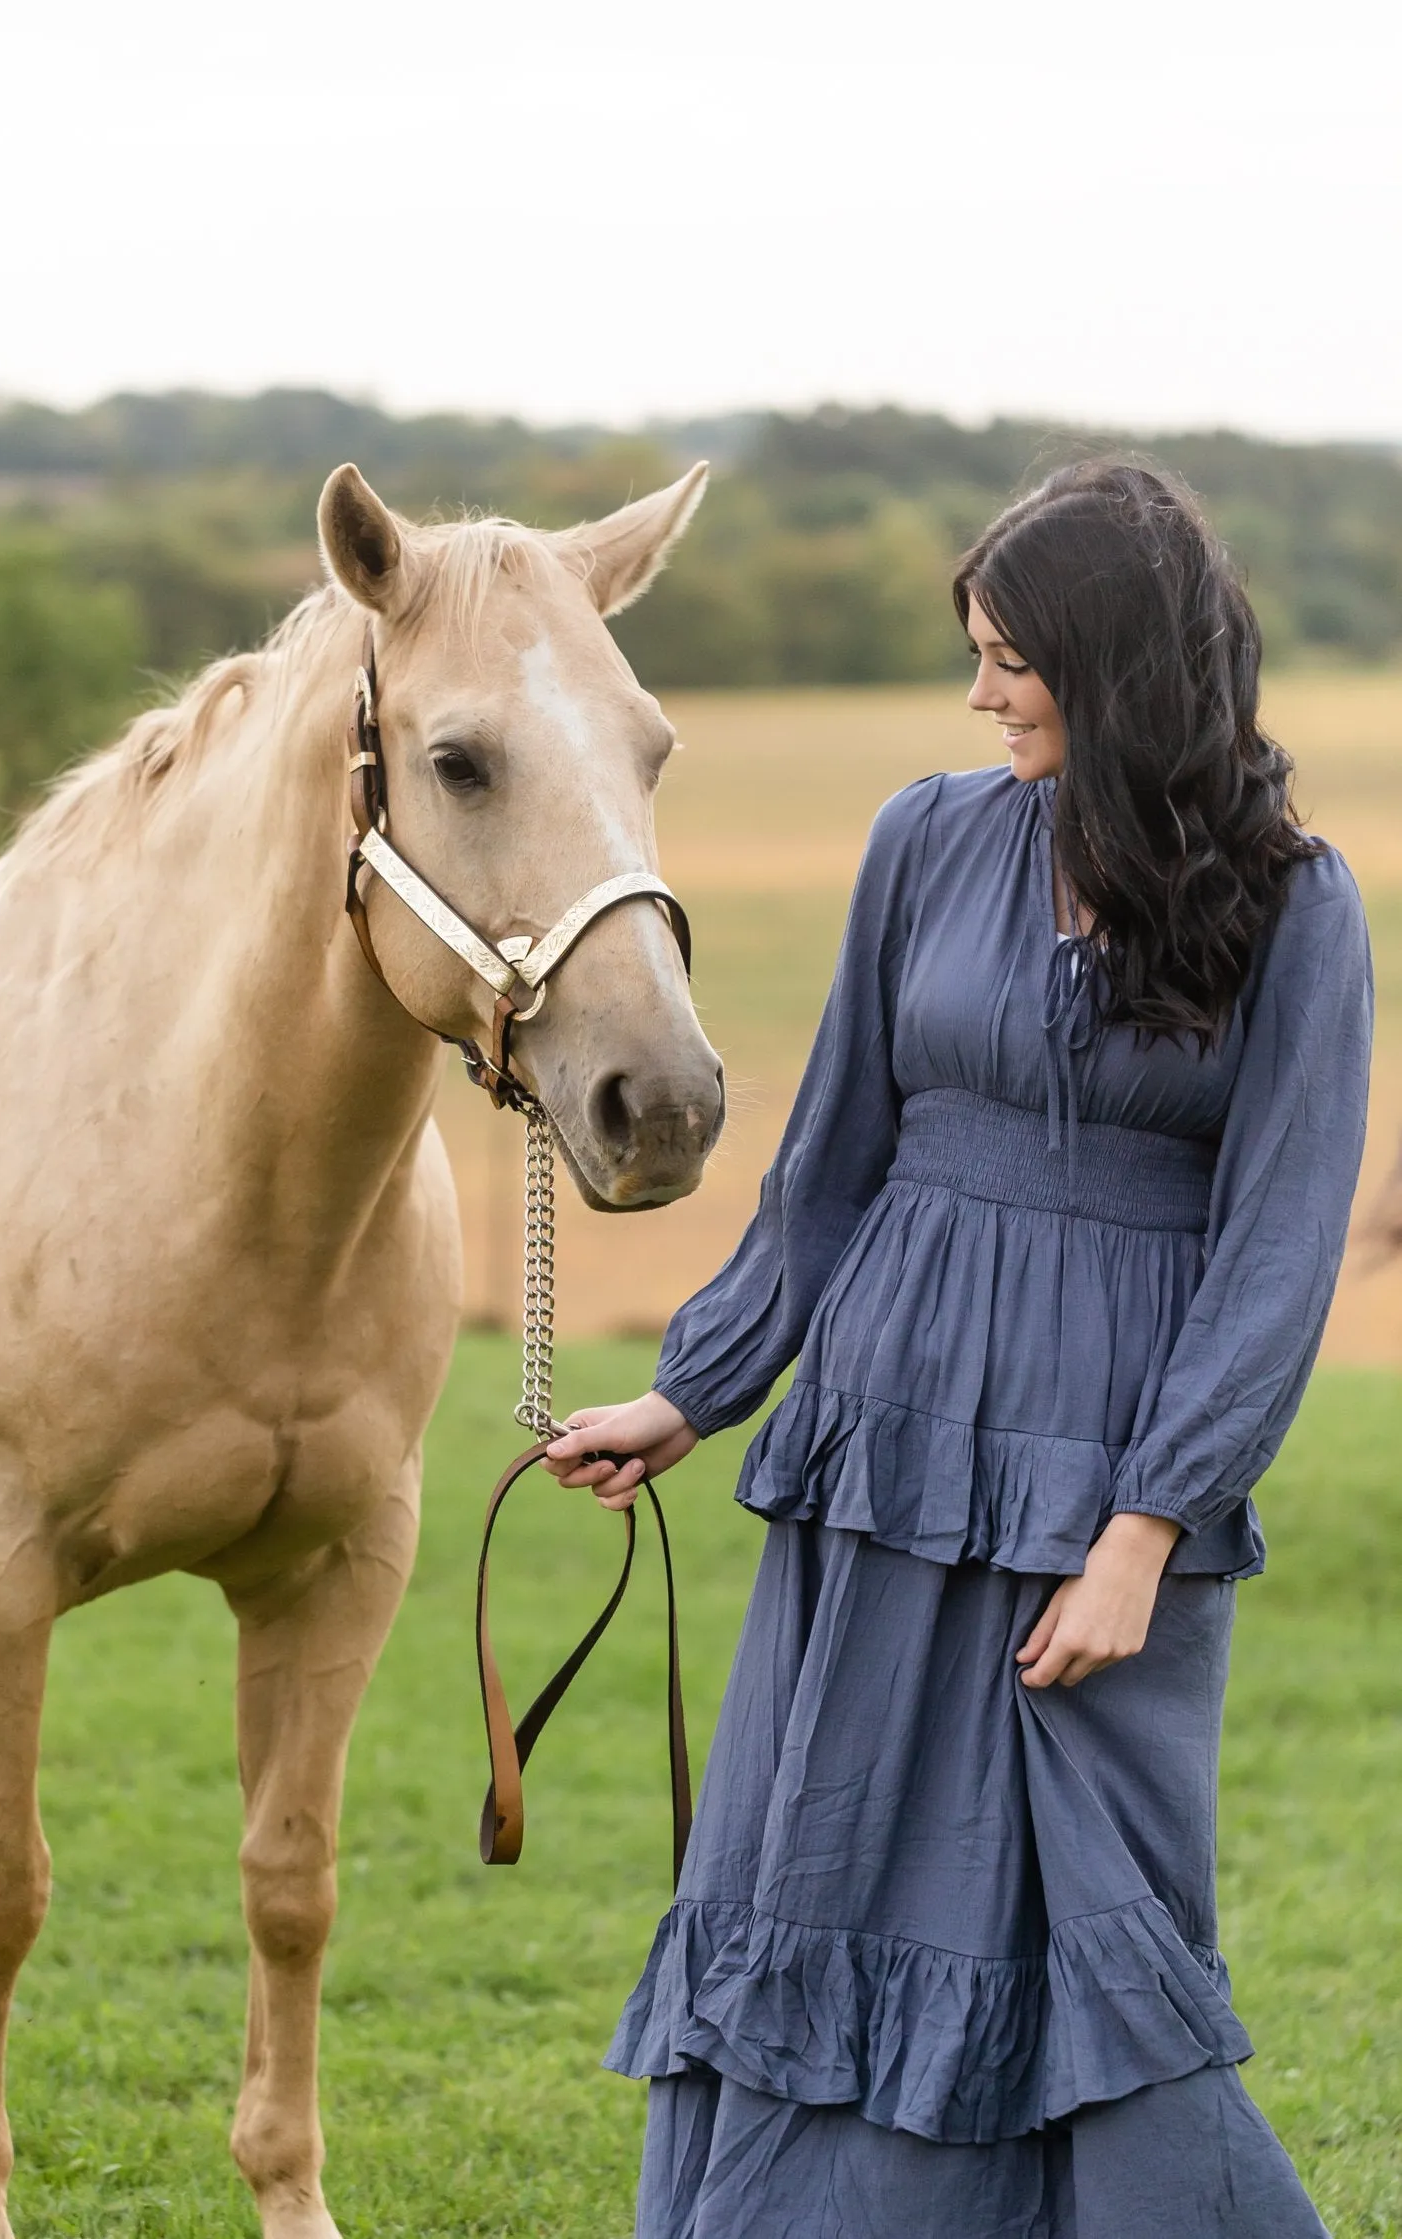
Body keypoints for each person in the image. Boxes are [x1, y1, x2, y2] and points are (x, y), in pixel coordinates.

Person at [545, 459, 1372, 2239]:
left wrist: (1146, 1527)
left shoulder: (1295, 904)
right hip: (884, 1435)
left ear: (1117, 665)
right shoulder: (922, 837)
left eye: (1011, 658)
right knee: (828, 1864)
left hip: (1102, 1475)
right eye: (973, 655)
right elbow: (828, 1156)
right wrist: (695, 1387)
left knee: (1091, 1905)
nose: (979, 693)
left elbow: (1278, 1251)